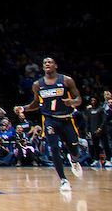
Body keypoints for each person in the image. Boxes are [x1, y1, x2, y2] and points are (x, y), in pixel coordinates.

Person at [16, 57, 84, 190]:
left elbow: (79, 99)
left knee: (74, 148)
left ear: (56, 66)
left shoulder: (66, 80)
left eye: (50, 62)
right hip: (49, 120)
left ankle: (74, 160)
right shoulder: (38, 84)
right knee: (54, 148)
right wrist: (23, 108)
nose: (47, 64)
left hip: (66, 118)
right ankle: (63, 180)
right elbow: (36, 104)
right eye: (45, 63)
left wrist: (72, 102)